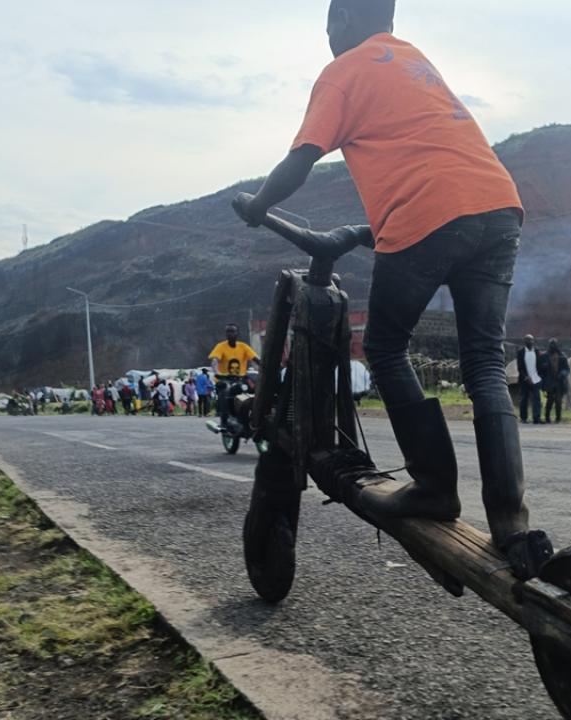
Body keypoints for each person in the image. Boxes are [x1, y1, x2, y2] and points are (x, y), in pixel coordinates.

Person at [231, 0, 551, 578]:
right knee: (484, 362)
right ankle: (511, 522)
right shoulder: (413, 60)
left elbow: (302, 159)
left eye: (330, 22)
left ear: (348, 19)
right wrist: (367, 228)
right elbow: (426, 152)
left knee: (384, 346)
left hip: (430, 215)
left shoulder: (343, 71)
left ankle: (434, 486)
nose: (328, 34)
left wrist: (258, 206)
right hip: (498, 206)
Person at [210, 324, 260, 429]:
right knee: (225, 392)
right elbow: (215, 360)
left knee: (253, 391)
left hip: (240, 379)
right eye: (228, 331)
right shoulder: (221, 346)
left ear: (237, 333)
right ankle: (224, 421)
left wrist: (266, 366)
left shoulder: (243, 347)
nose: (230, 334)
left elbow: (256, 359)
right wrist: (217, 372)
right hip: (225, 379)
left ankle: (251, 416)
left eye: (232, 331)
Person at [540, 338, 570, 425]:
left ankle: (558, 418)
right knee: (550, 400)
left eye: (554, 344)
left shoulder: (562, 356)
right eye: (551, 344)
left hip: (559, 382)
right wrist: (544, 367)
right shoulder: (544, 356)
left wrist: (562, 374)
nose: (553, 346)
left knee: (558, 401)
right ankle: (547, 417)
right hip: (549, 381)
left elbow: (567, 369)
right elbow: (540, 370)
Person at [516, 335, 543, 424]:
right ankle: (523, 418)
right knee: (524, 399)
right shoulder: (521, 352)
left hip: (536, 379)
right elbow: (520, 367)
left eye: (531, 340)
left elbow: (540, 365)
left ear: (533, 341)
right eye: (527, 340)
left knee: (537, 399)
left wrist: (540, 377)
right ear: (524, 342)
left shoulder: (537, 351)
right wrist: (526, 377)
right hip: (525, 379)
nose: (530, 342)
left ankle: (536, 418)